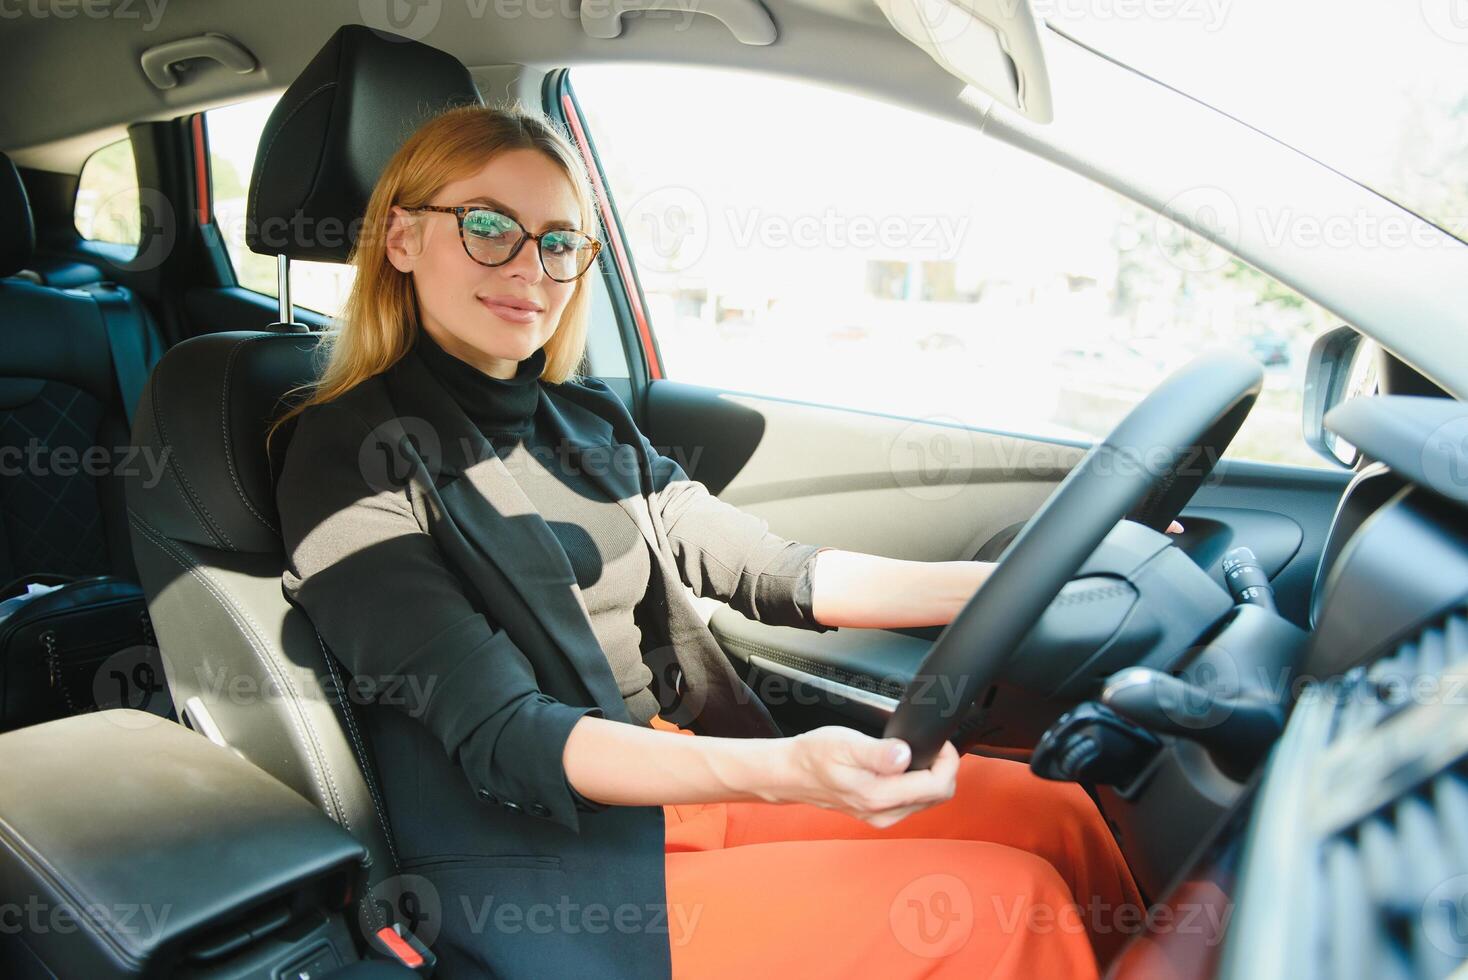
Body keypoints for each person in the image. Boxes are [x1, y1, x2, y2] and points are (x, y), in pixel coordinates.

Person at [272, 102, 1144, 979]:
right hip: (549, 856)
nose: (531, 269)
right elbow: (509, 735)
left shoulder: (585, 420)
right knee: (1006, 903)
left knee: (1055, 812)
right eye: (489, 226)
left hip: (676, 775)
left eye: (561, 242)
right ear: (401, 239)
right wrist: (781, 770)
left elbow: (773, 569)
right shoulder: (349, 456)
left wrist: (1031, 578)